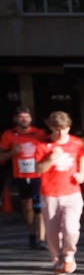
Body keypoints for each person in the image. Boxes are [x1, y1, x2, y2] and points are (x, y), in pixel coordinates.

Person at [38, 111, 84, 275]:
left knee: (71, 229)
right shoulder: (43, 145)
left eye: (64, 129)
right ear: (51, 128)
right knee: (52, 232)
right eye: (57, 129)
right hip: (50, 193)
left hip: (72, 192)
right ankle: (57, 260)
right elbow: (38, 169)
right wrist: (50, 159)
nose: (61, 133)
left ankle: (68, 256)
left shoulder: (76, 142)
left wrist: (82, 174)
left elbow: (82, 158)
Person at [1, 106, 48, 250]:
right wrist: (12, 153)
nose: (24, 120)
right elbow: (1, 157)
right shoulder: (9, 134)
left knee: (39, 208)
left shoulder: (39, 133)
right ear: (15, 119)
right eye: (21, 117)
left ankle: (41, 239)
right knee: (27, 208)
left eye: (27, 117)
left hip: (38, 175)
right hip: (21, 175)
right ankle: (32, 236)